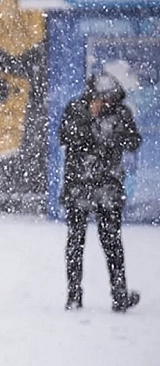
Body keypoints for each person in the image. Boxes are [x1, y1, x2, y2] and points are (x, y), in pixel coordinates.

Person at [59, 72, 142, 312]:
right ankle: (74, 295)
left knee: (112, 242)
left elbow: (134, 141)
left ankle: (119, 295)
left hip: (108, 187)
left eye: (109, 100)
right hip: (79, 187)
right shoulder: (76, 109)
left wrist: (111, 132)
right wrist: (90, 123)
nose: (104, 104)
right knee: (76, 242)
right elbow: (65, 137)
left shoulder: (120, 113)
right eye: (101, 99)